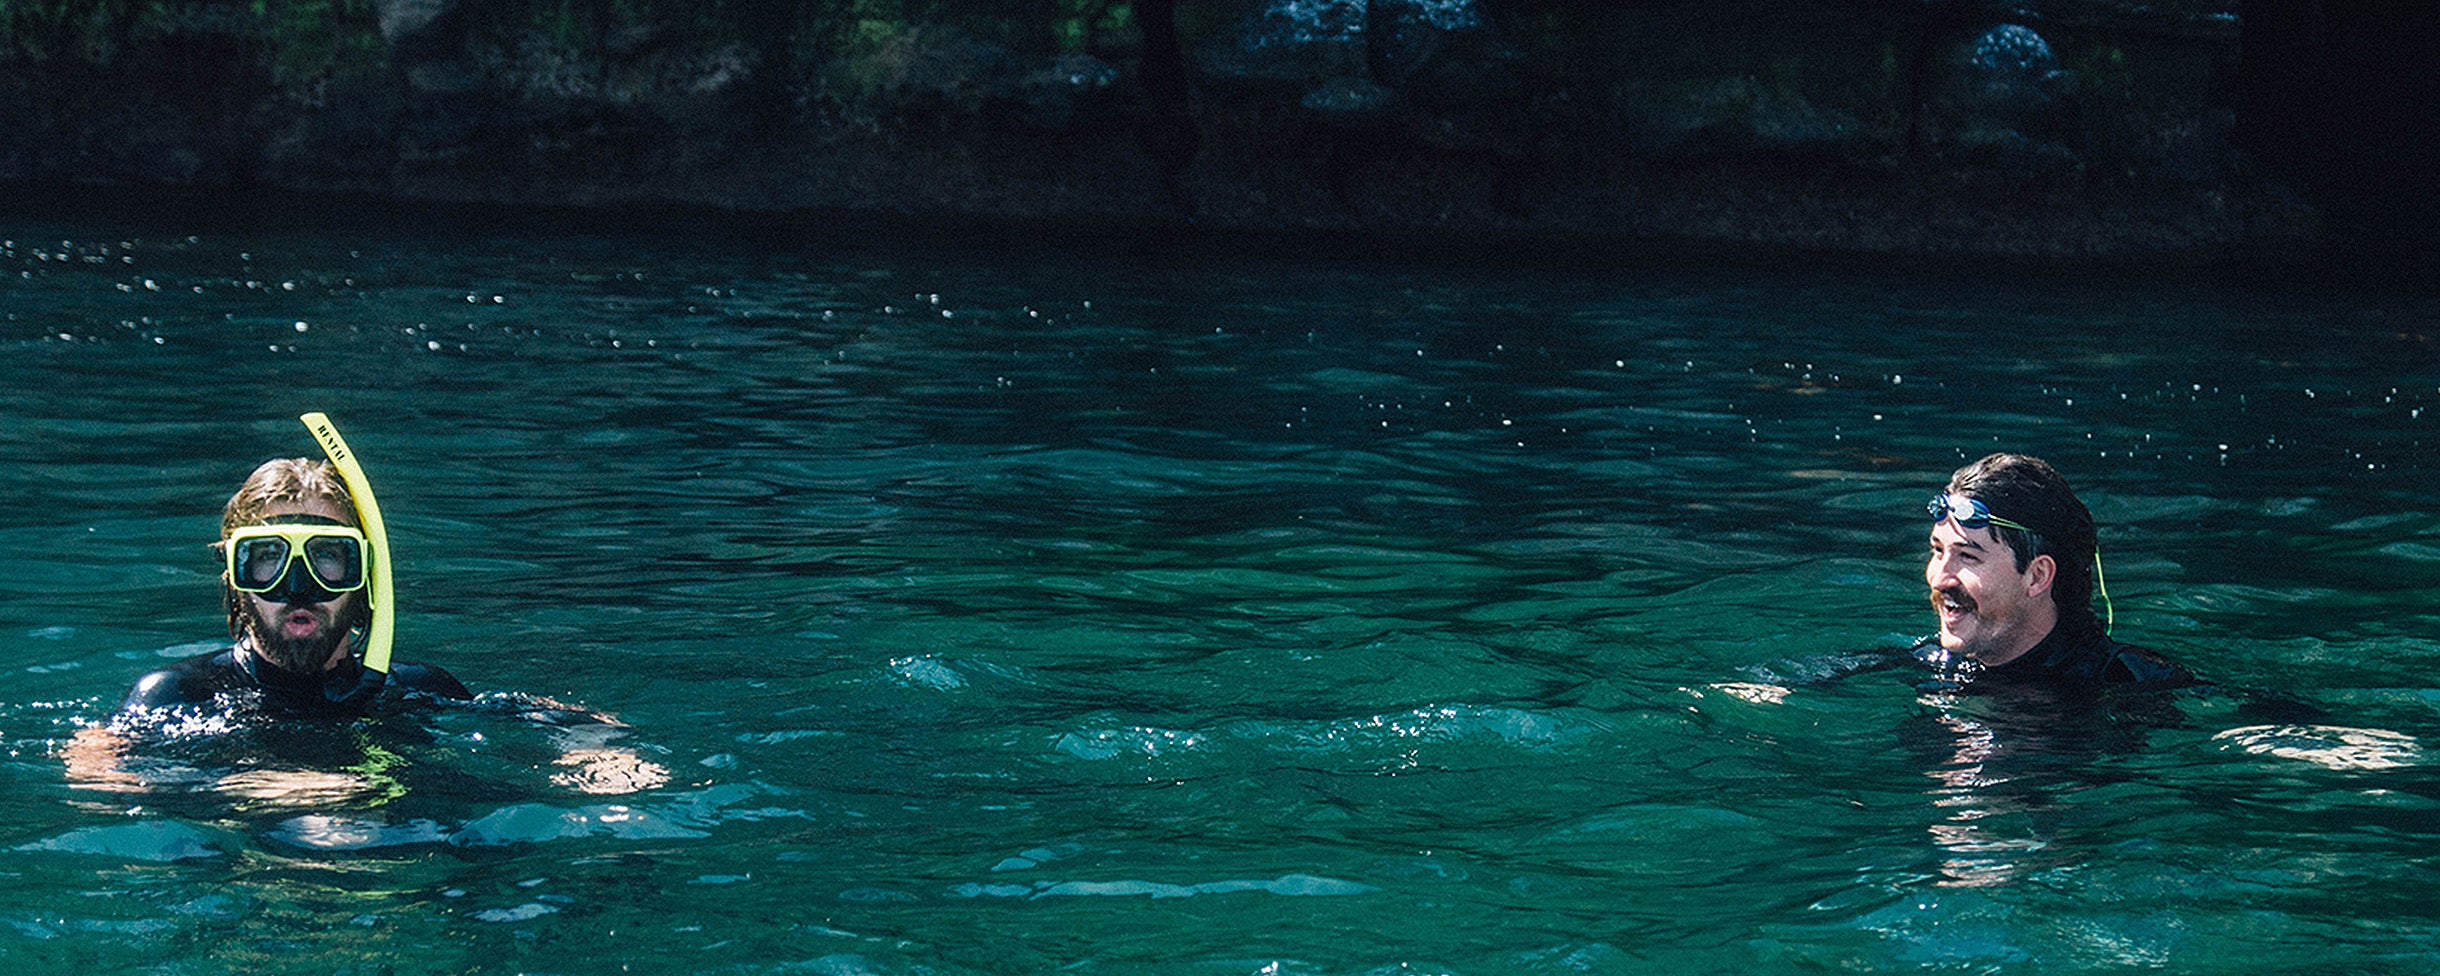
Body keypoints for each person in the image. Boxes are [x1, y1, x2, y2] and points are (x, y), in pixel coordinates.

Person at [119, 457, 470, 718]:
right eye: (269, 556)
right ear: (235, 575)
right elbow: (100, 778)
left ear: (365, 573)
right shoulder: (177, 695)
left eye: (328, 555)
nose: (299, 587)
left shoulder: (422, 691)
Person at [1920, 452, 2195, 691]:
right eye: (1938, 551)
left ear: (2037, 576)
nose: (1939, 579)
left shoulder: (2138, 684)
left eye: (1968, 556)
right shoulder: (1930, 666)